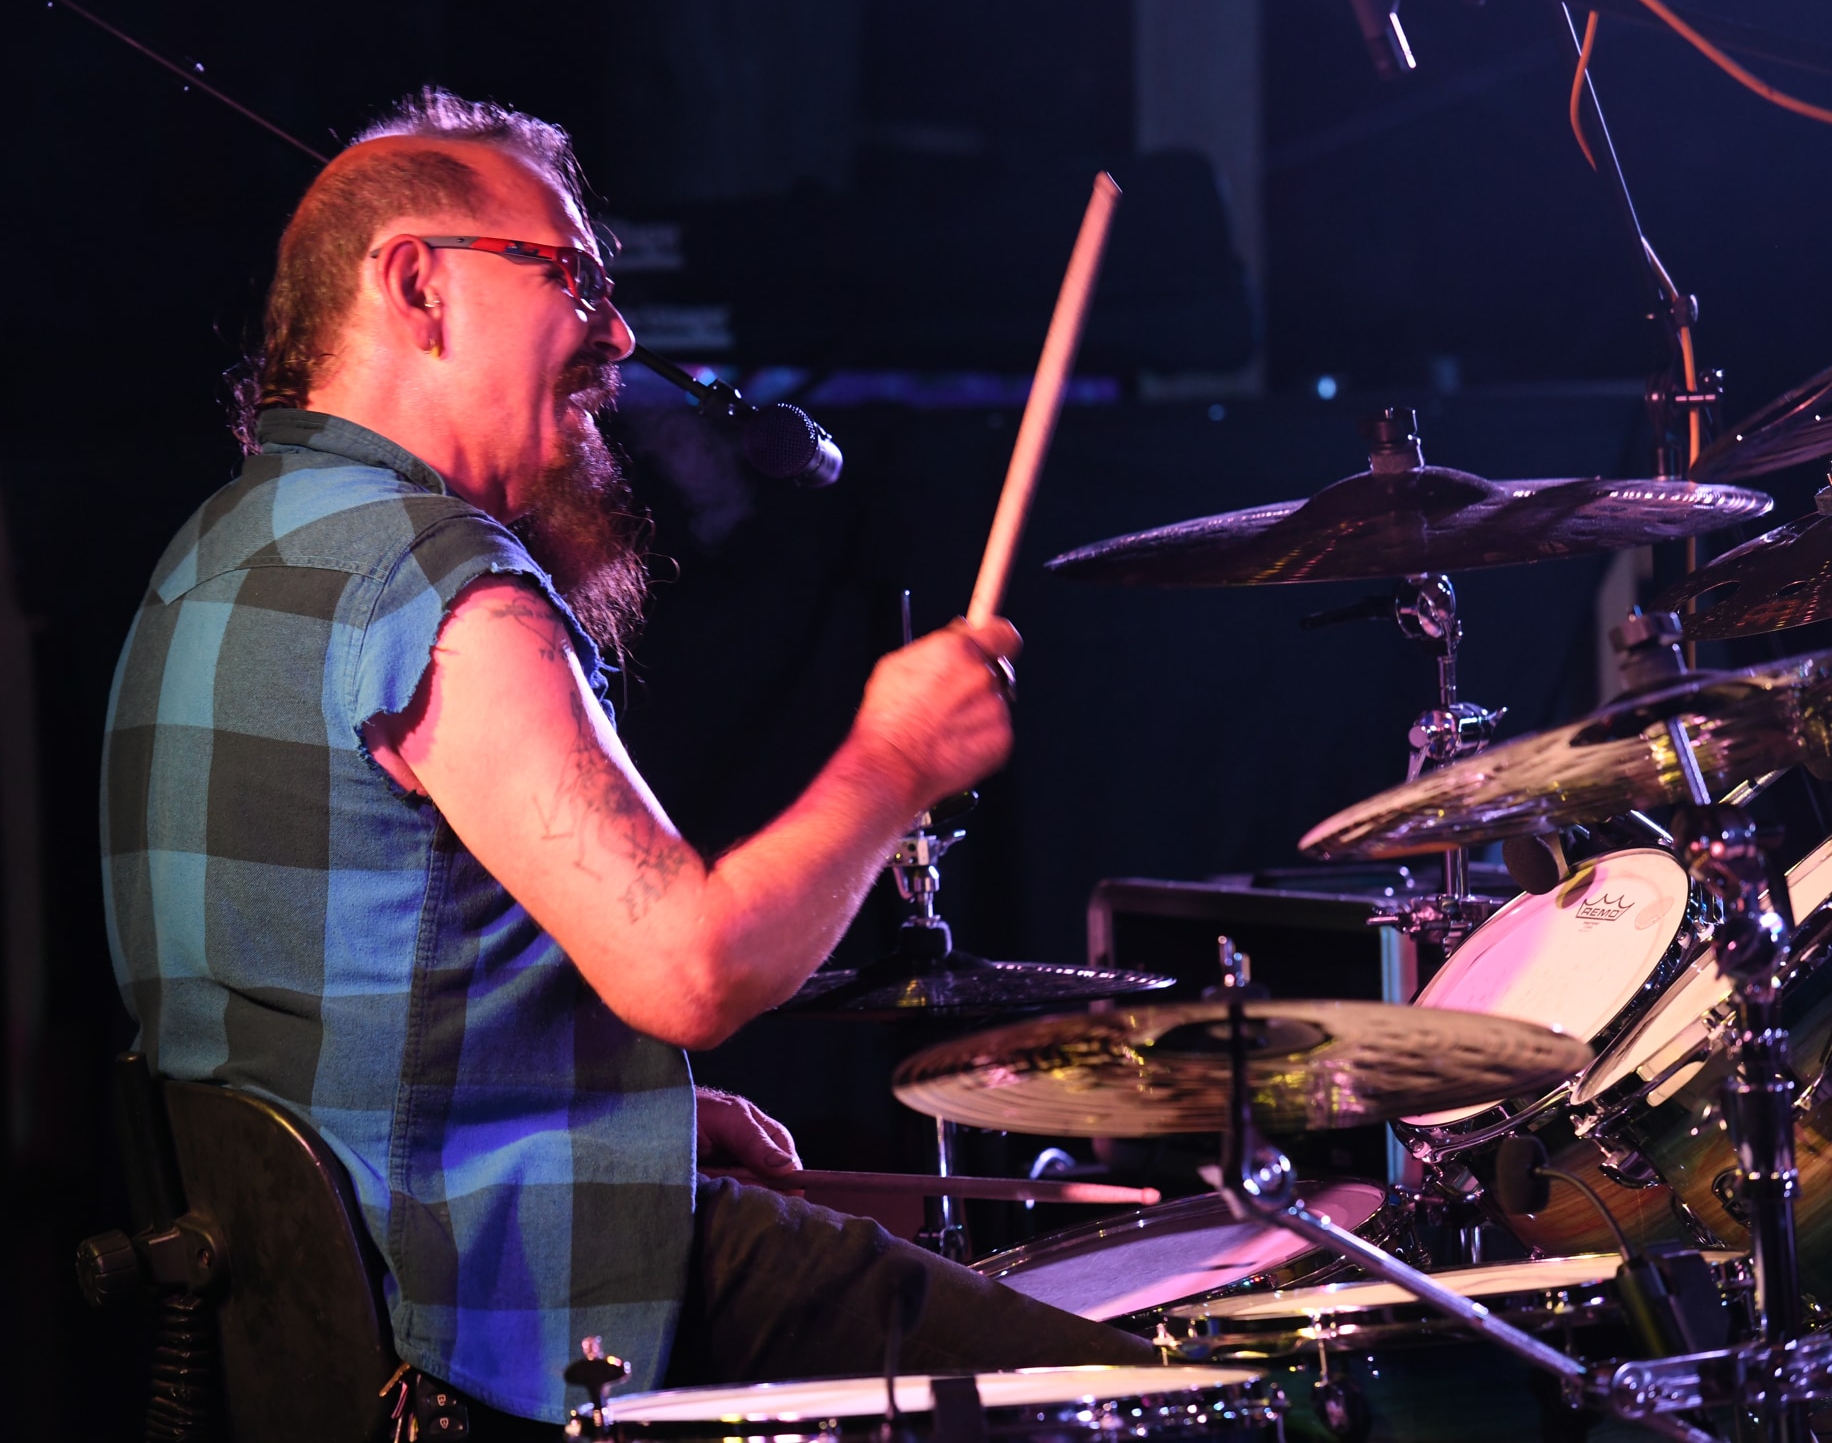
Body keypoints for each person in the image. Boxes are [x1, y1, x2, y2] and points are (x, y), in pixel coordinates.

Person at [100, 87, 1145, 1433]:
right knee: (1140, 1401)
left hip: (332, 1333)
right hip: (495, 1332)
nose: (619, 333)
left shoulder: (218, 551)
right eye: (573, 277)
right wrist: (894, 764)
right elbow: (692, 970)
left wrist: (626, 1122)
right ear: (419, 284)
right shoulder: (436, 583)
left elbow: (331, 1013)